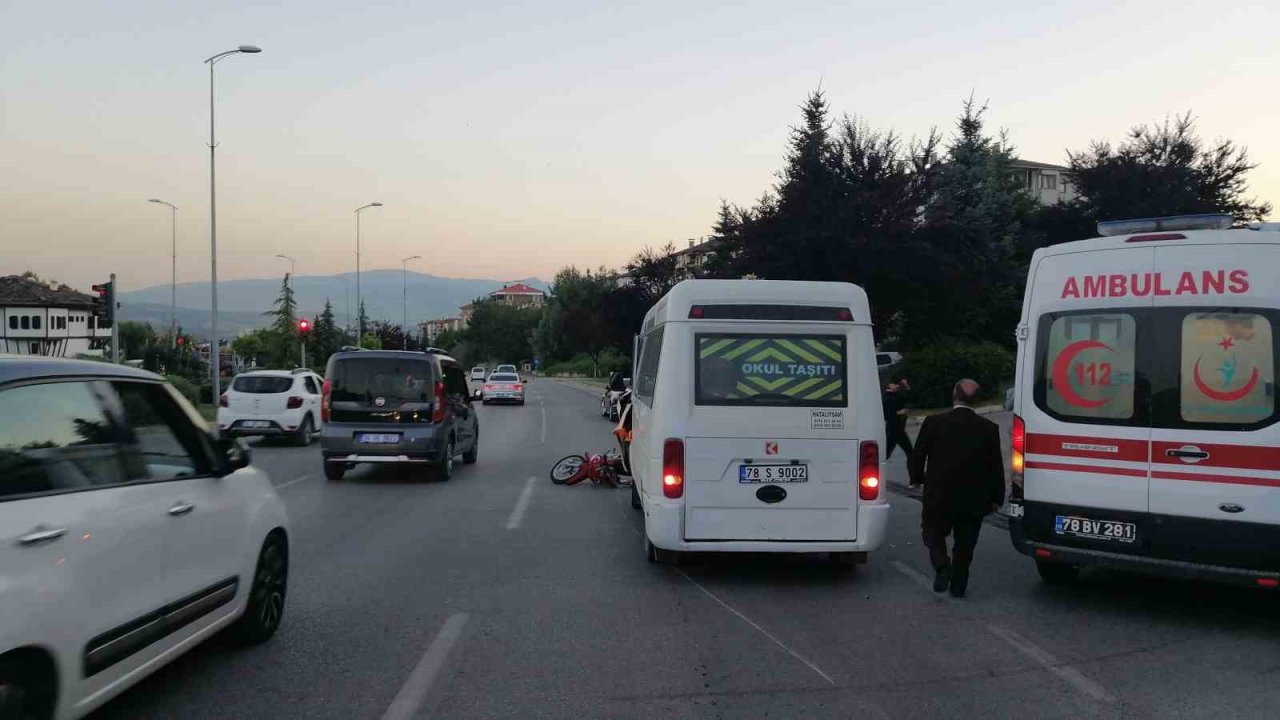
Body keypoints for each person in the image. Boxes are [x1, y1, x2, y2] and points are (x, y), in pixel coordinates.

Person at [907, 379, 1005, 598]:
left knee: (932, 531)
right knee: (965, 543)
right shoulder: (989, 429)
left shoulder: (934, 423)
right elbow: (995, 467)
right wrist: (997, 497)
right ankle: (959, 585)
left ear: (954, 395)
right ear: (977, 401)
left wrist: (917, 478)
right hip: (974, 498)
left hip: (938, 495)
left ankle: (942, 566)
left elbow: (917, 455)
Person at [882, 379, 913, 460]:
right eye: (894, 384)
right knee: (885, 453)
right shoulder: (886, 398)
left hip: (899, 429)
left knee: (910, 452)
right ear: (890, 385)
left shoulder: (896, 395)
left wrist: (906, 388)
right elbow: (886, 415)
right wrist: (899, 413)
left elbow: (908, 399)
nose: (896, 386)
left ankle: (914, 466)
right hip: (893, 429)